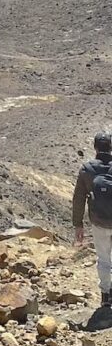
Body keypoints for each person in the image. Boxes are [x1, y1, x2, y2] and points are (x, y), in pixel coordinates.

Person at [73, 130, 112, 306]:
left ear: (95, 147)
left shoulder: (87, 170)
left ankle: (105, 294)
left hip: (99, 222)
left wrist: (78, 224)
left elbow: (79, 198)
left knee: (104, 258)